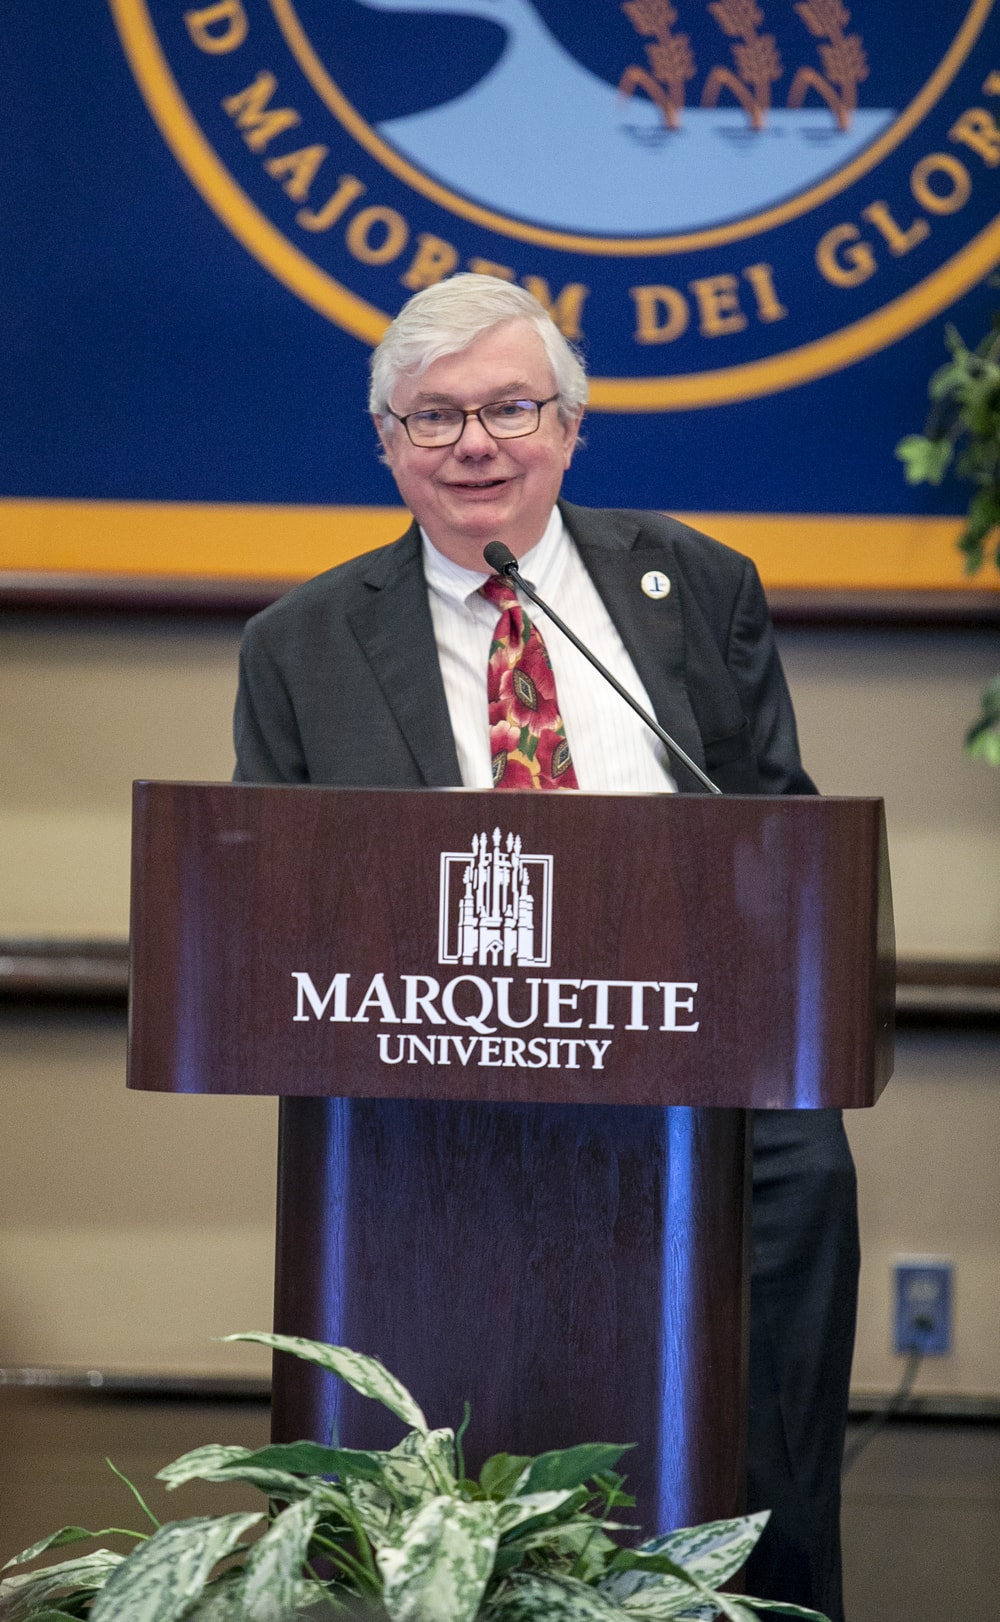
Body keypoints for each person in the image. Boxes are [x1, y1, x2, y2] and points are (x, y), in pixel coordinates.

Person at [233, 274, 859, 1622]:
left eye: (512, 407)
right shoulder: (299, 650)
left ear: (570, 429)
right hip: (441, 1135)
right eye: (437, 416)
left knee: (763, 1501)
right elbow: (278, 926)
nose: (477, 443)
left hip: (711, 1115)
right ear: (388, 446)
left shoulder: (694, 588)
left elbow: (779, 841)